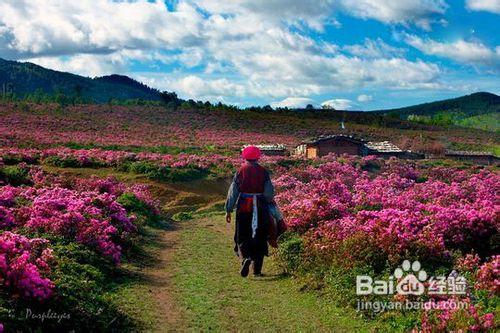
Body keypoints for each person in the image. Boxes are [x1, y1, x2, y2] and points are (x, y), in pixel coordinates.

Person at [225, 145, 275, 277]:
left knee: (242, 235)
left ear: (244, 156)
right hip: (260, 207)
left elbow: (233, 193)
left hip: (243, 208)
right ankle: (257, 271)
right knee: (260, 236)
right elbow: (269, 194)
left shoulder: (240, 171)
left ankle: (245, 258)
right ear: (258, 157)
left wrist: (228, 210)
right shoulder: (264, 171)